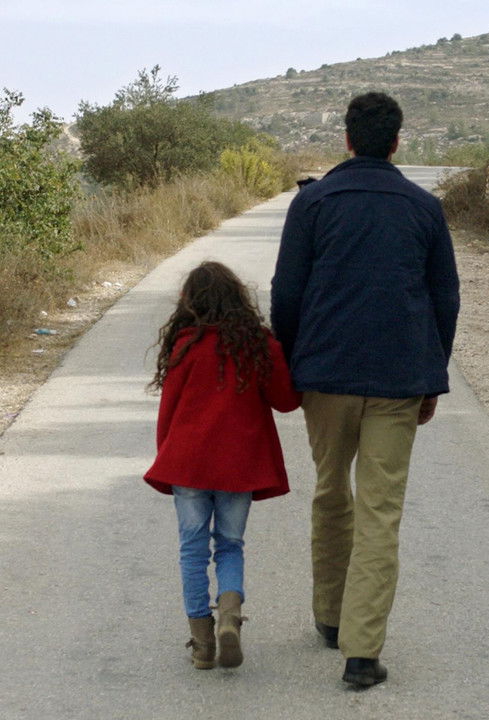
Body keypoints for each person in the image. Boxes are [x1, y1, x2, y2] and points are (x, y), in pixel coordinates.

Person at [270, 91, 460, 688]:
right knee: (380, 511)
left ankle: (330, 618)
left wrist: (292, 366)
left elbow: (286, 293)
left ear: (347, 139)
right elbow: (445, 299)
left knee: (331, 491)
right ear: (397, 142)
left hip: (325, 376)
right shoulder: (424, 208)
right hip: (399, 379)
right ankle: (361, 652)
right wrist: (432, 377)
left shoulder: (312, 203)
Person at [144, 261, 302, 671]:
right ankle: (230, 615)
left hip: (188, 465)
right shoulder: (257, 344)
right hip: (239, 466)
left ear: (190, 302)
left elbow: (168, 412)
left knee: (192, 549)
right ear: (238, 299)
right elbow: (287, 401)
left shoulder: (184, 345)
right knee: (230, 545)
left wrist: (168, 459)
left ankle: (202, 644)